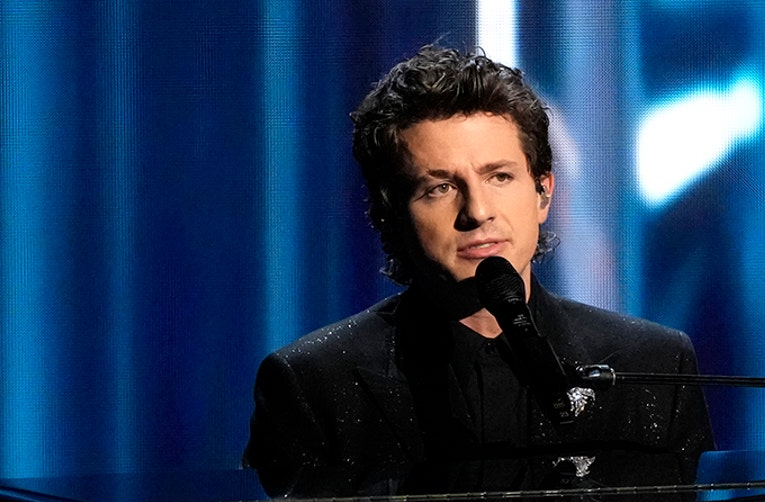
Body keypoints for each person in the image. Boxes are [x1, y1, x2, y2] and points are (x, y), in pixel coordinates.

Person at [243, 45, 713, 479]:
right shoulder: (311, 384)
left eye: (500, 177)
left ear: (543, 193)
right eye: (440, 188)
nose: (478, 211)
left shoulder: (654, 363)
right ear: (388, 215)